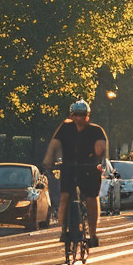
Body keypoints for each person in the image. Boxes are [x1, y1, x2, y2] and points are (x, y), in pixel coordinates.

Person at [42, 99, 107, 248]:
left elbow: (101, 147)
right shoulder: (65, 128)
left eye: (82, 115)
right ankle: (64, 230)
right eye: (76, 115)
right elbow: (54, 144)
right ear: (71, 115)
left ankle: (93, 234)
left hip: (89, 168)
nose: (78, 118)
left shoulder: (96, 130)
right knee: (64, 196)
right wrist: (48, 160)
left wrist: (98, 156)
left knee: (91, 198)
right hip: (69, 167)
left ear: (87, 116)